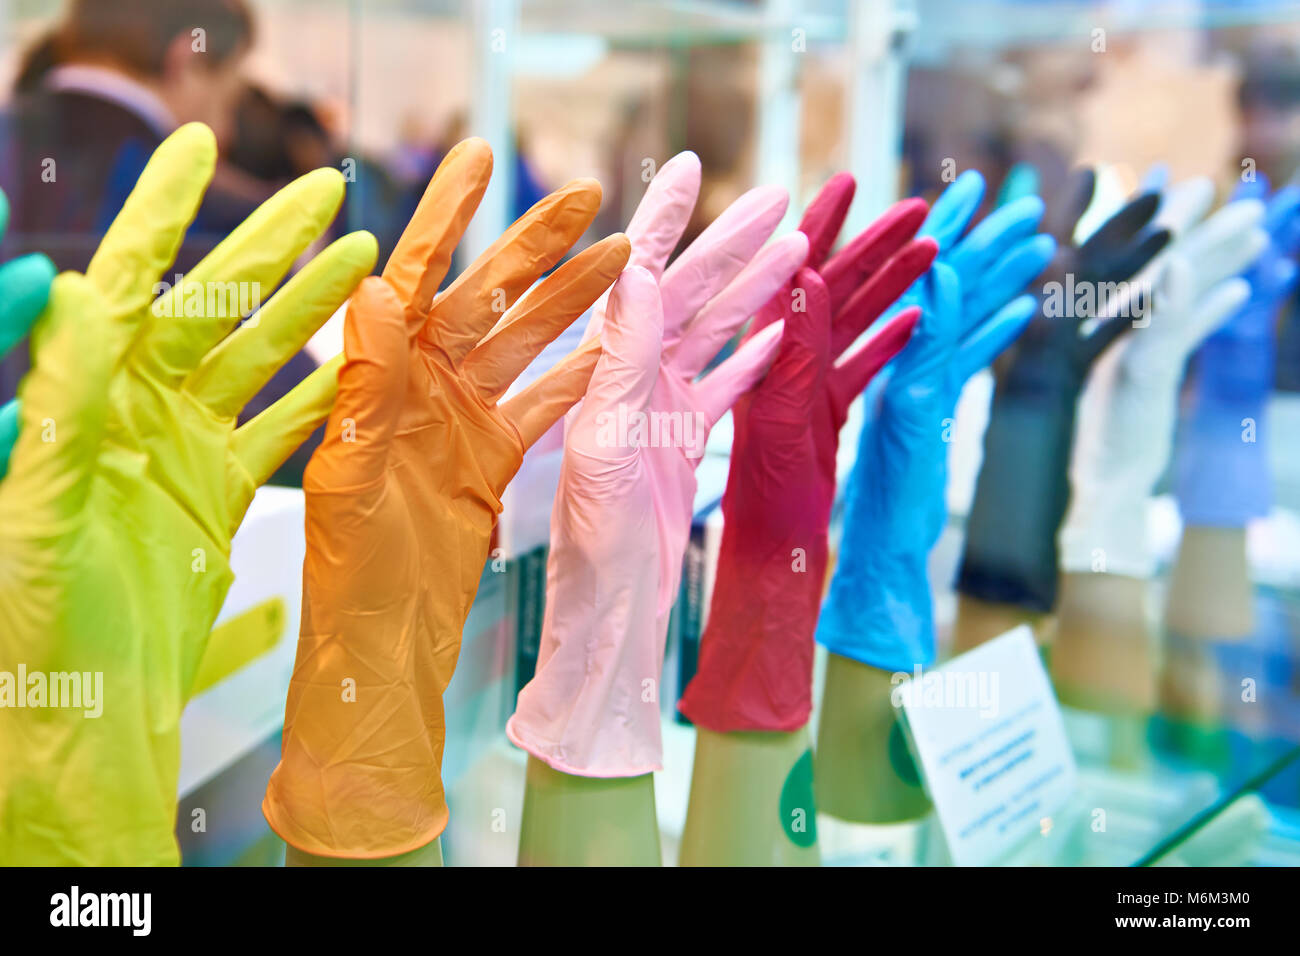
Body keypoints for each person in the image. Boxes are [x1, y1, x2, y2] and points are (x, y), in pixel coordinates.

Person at [0, 0, 259, 404]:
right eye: (229, 99)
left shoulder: (14, 147)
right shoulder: (223, 213)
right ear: (186, 61)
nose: (227, 131)